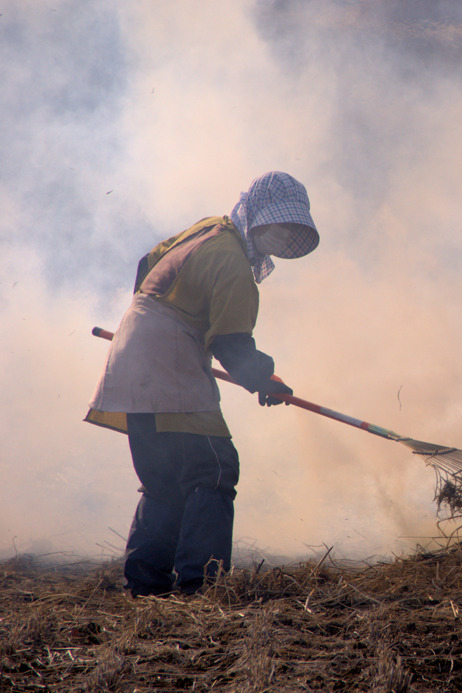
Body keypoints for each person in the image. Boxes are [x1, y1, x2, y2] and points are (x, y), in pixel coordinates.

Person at [86, 171, 319, 596]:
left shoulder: (207, 231)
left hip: (130, 356)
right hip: (168, 363)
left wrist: (160, 329)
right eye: (278, 224)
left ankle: (145, 586)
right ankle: (201, 586)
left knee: (164, 480)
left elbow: (146, 265)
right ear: (256, 218)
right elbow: (232, 343)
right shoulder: (231, 261)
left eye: (289, 229)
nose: (282, 236)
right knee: (213, 468)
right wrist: (263, 379)